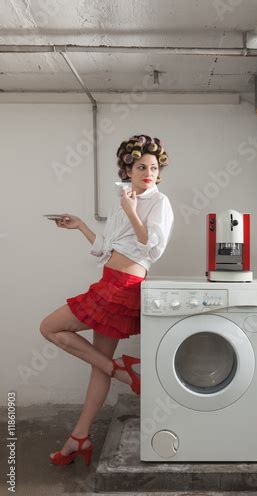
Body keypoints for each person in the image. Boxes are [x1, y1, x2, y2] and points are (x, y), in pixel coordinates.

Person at [39, 134, 174, 466]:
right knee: (98, 369)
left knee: (49, 328)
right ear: (127, 169)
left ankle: (124, 374)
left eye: (153, 167)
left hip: (123, 287)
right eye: (141, 166)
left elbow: (150, 246)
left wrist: (131, 209)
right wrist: (81, 226)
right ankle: (79, 438)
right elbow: (107, 247)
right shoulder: (124, 201)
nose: (148, 173)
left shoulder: (159, 202)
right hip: (109, 282)